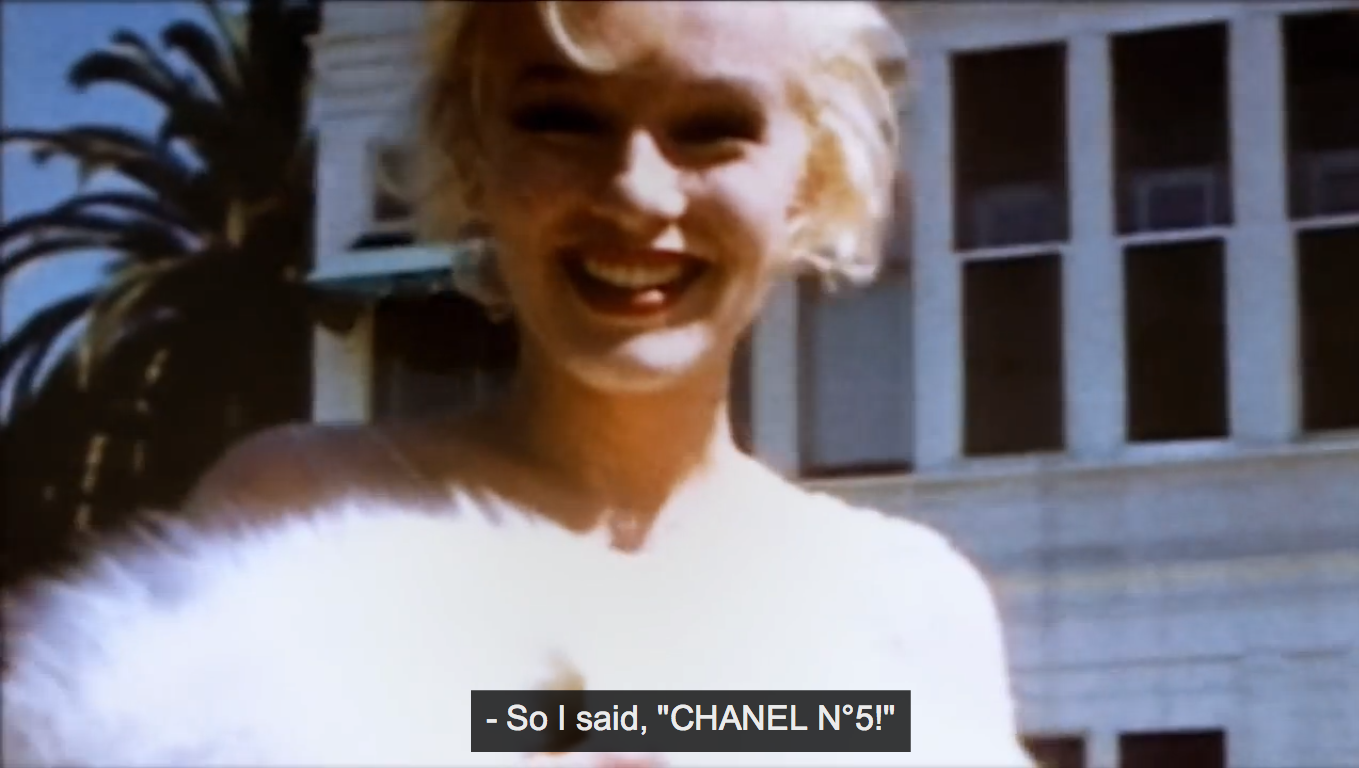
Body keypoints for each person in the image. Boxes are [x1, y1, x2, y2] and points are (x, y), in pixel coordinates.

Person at [1, 2, 1034, 766]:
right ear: (471, 152)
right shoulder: (289, 522)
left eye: (712, 127)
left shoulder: (903, 606)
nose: (636, 193)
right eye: (563, 121)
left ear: (812, 178)